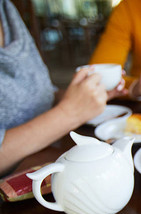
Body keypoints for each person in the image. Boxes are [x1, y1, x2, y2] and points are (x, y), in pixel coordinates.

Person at [0, 0, 127, 176]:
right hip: (18, 185)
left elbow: (41, 93)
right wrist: (70, 113)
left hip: (51, 157)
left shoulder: (6, 9)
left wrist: (82, 98)